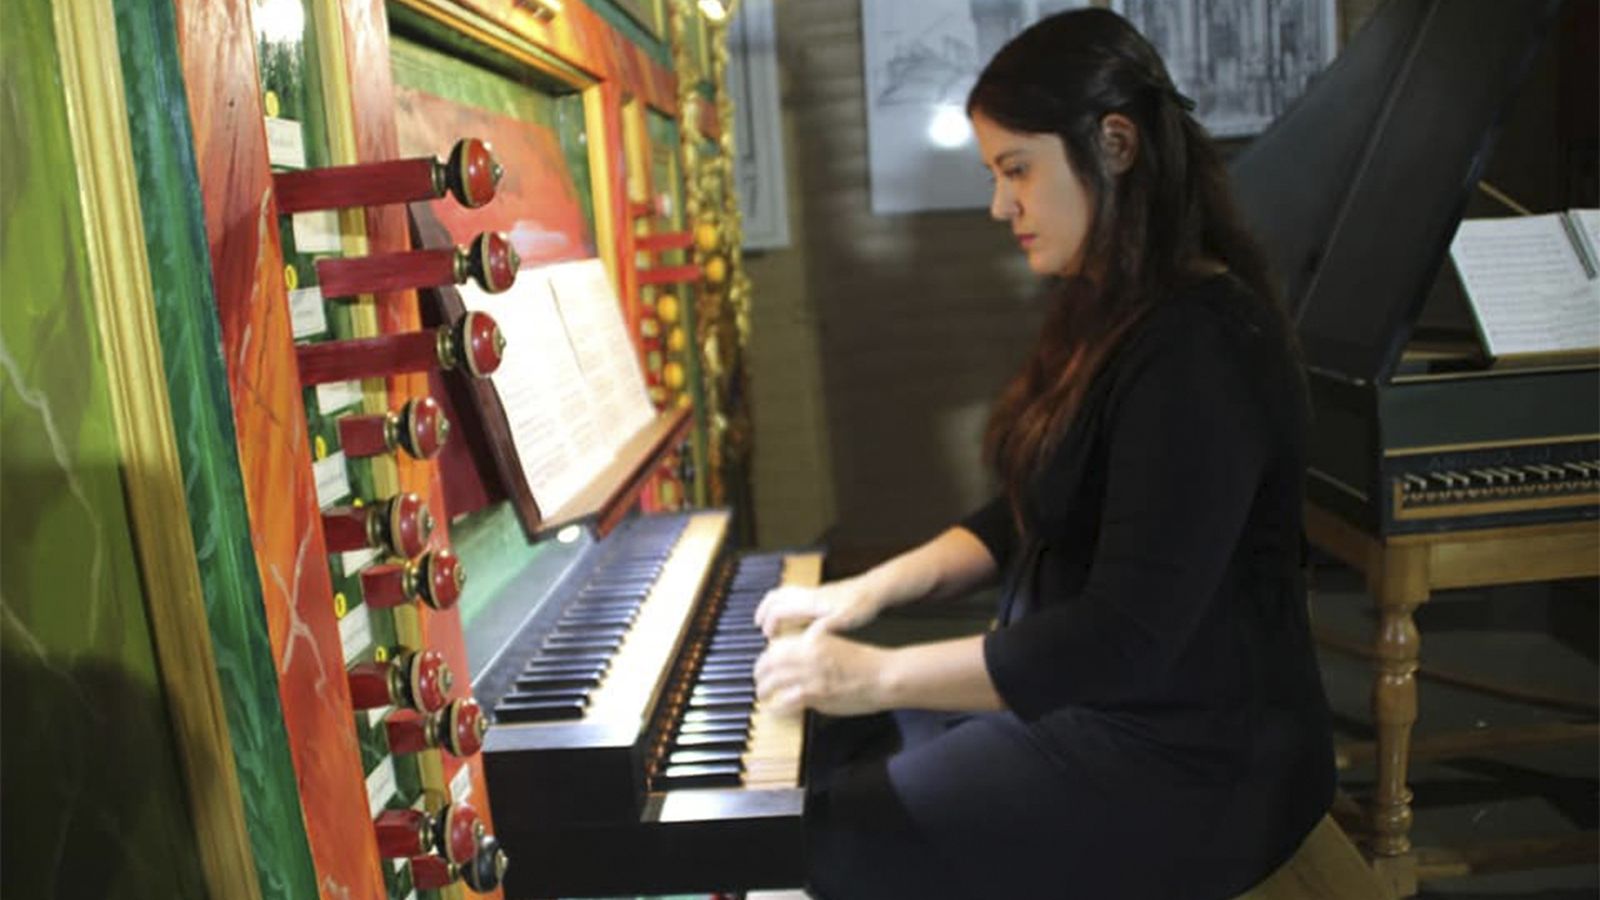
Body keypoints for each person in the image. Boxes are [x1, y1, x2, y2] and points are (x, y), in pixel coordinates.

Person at [751, 9, 1335, 899]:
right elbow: (1027, 509)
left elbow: (1123, 638)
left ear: (1114, 144)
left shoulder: (1201, 346)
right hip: (1109, 709)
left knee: (831, 839)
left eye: (1016, 170)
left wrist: (876, 673)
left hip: (1197, 760)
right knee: (828, 758)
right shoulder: (1109, 307)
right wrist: (866, 592)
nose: (999, 205)